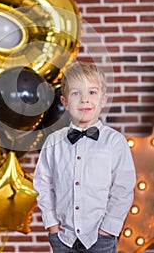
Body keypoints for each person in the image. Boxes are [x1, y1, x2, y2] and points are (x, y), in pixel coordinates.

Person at [33, 61, 136, 253]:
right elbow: (43, 184)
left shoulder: (115, 142)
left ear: (103, 100)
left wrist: (108, 229)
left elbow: (122, 188)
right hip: (63, 237)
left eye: (92, 92)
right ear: (64, 102)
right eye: (76, 93)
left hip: (101, 238)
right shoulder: (53, 143)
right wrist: (52, 226)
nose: (84, 100)